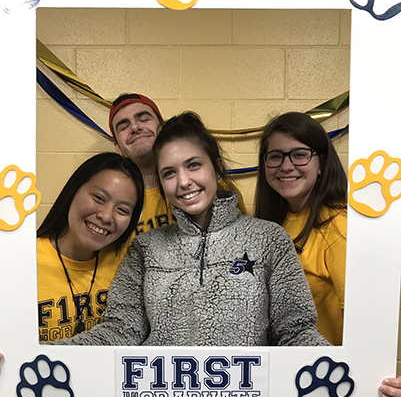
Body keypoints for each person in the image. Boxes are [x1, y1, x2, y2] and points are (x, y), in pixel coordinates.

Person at [55, 111, 328, 348]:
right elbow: (119, 331)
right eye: (169, 173)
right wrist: (39, 354)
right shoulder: (145, 248)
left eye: (194, 165)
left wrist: (357, 374)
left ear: (217, 167)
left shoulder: (269, 239)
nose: (183, 182)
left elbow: (296, 332)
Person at [254, 112, 347, 346]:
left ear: (321, 163)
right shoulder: (273, 223)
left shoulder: (339, 225)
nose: (286, 166)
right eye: (275, 156)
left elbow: (367, 316)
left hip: (328, 373)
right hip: (287, 369)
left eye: (300, 155)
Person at [37, 152, 144, 342]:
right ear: (73, 191)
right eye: (99, 198)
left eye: (122, 210)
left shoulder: (129, 266)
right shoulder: (19, 262)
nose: (106, 216)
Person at [109, 93, 247, 235]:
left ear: (162, 128)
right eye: (124, 127)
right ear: (118, 147)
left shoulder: (217, 188)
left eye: (144, 119)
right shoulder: (114, 202)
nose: (135, 127)